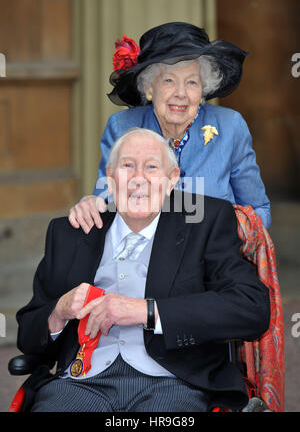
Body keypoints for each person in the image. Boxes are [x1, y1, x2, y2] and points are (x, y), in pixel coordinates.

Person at [16, 129, 270, 412]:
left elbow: (252, 308)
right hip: (79, 383)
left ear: (171, 178)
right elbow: (27, 333)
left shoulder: (205, 223)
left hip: (174, 383)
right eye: (127, 166)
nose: (139, 178)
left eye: (151, 166)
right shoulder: (70, 233)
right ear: (110, 179)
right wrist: (58, 311)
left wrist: (147, 311)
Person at [69, 21, 271, 235]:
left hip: (213, 260)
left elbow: (259, 209)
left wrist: (227, 238)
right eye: (168, 80)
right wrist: (90, 203)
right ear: (149, 87)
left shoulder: (230, 126)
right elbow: (105, 202)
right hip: (147, 261)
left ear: (203, 88)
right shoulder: (122, 127)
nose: (181, 93)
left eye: (192, 82)